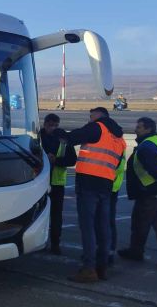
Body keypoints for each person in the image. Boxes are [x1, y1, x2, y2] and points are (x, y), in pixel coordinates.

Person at [63, 107, 126, 283]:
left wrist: (60, 134)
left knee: (88, 227)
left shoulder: (97, 128)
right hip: (106, 185)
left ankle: (89, 268)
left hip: (89, 183)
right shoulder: (119, 138)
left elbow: (73, 137)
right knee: (103, 226)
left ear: (98, 116)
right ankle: (102, 267)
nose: (89, 119)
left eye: (91, 116)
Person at [118, 117, 157, 272]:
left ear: (148, 129)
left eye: (139, 127)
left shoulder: (146, 147)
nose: (135, 129)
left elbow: (153, 168)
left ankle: (136, 252)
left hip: (151, 192)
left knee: (140, 223)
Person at [40, 113, 76, 255]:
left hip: (56, 183)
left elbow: (72, 159)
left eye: (55, 125)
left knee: (56, 215)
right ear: (45, 124)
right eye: (50, 125)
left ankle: (55, 243)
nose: (52, 128)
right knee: (40, 214)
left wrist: (56, 160)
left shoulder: (63, 139)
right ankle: (39, 240)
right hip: (40, 183)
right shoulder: (38, 137)